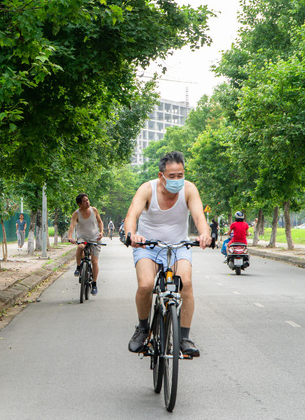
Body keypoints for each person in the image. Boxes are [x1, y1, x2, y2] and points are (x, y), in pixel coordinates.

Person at [124, 151, 211, 357]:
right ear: (161, 175)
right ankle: (143, 328)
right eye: (172, 176)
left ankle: (184, 337)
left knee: (186, 284)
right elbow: (132, 215)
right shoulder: (147, 189)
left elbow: (199, 217)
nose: (177, 180)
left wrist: (204, 234)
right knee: (145, 284)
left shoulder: (189, 189)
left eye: (180, 175)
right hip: (148, 246)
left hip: (179, 246)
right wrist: (132, 235)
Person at [67, 193, 104, 296]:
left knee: (94, 261)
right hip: (82, 237)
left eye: (88, 200)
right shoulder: (76, 214)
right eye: (84, 201)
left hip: (95, 237)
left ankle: (94, 283)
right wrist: (70, 237)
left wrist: (101, 232)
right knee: (80, 246)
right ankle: (79, 267)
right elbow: (72, 226)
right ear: (79, 204)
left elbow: (100, 222)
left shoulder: (94, 210)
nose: (87, 202)